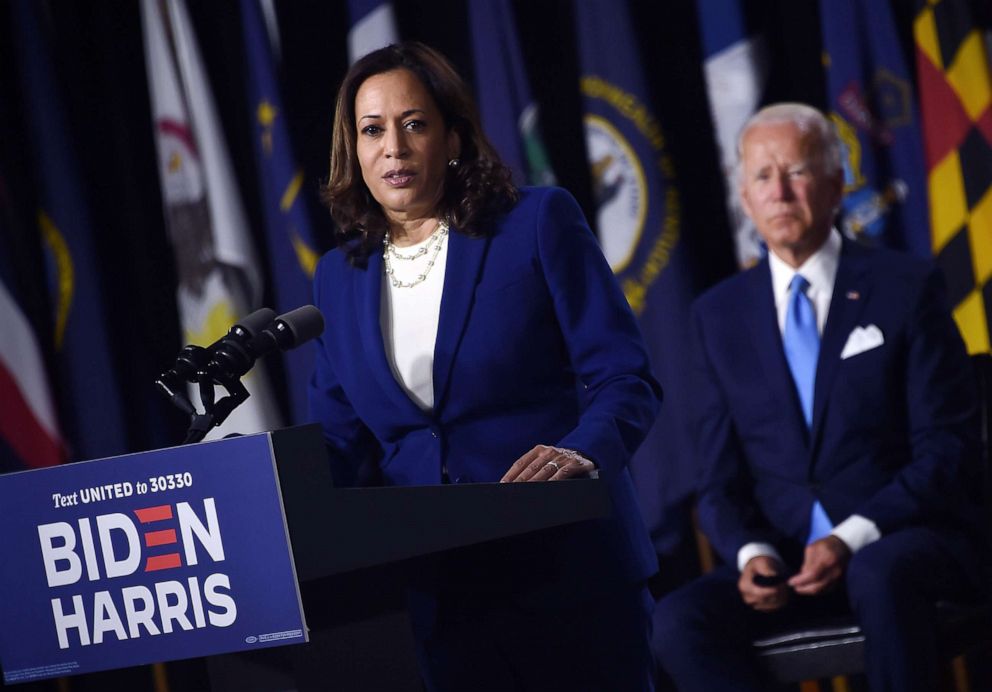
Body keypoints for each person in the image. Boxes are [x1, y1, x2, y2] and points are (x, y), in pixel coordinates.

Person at [309, 42, 661, 692]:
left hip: (569, 571)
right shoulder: (338, 277)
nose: (393, 146)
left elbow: (625, 377)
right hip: (444, 595)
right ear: (353, 149)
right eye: (372, 129)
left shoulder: (534, 223)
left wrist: (583, 454)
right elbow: (340, 441)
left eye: (414, 123)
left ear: (452, 136)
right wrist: (271, 491)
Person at [653, 103, 987, 691]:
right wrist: (752, 552)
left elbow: (948, 450)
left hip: (903, 540)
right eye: (762, 176)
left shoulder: (905, 287)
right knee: (677, 622)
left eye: (797, 172)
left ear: (836, 184)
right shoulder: (717, 316)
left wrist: (848, 537)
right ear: (745, 197)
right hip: (790, 563)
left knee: (879, 575)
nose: (779, 191)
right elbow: (719, 482)